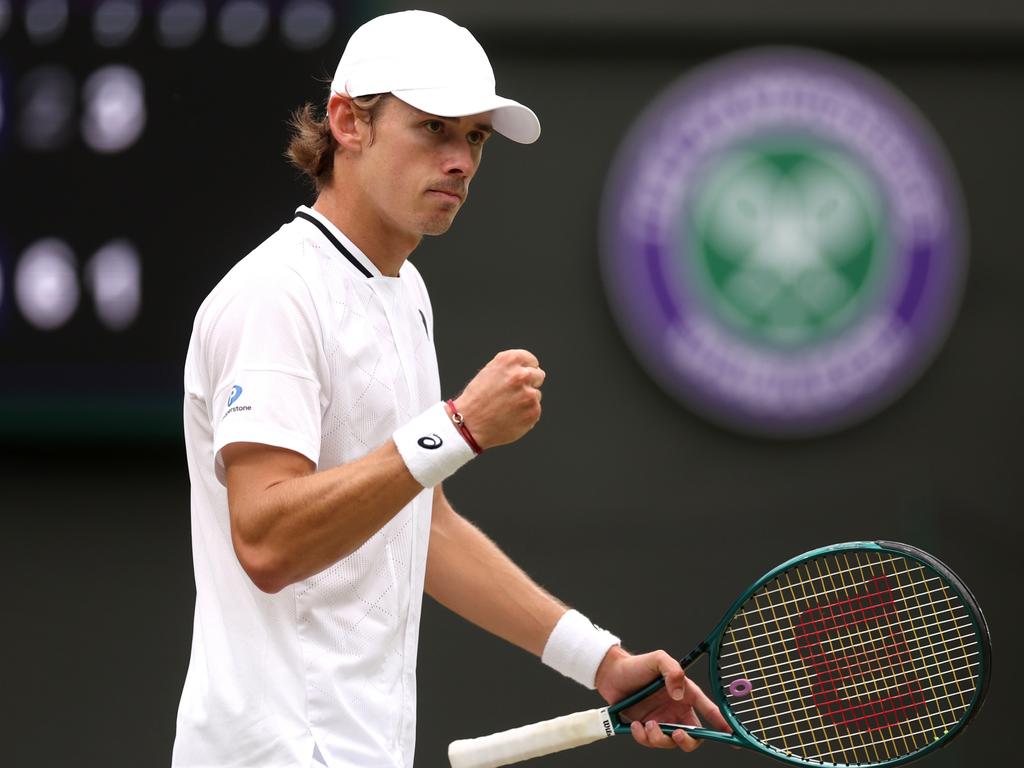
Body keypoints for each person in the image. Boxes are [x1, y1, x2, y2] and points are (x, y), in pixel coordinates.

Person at [172, 10, 728, 768]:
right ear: (348, 122)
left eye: (474, 137)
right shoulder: (275, 293)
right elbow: (266, 541)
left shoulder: (406, 295)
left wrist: (600, 663)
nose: (460, 159)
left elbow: (421, 528)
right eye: (433, 128)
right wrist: (458, 429)